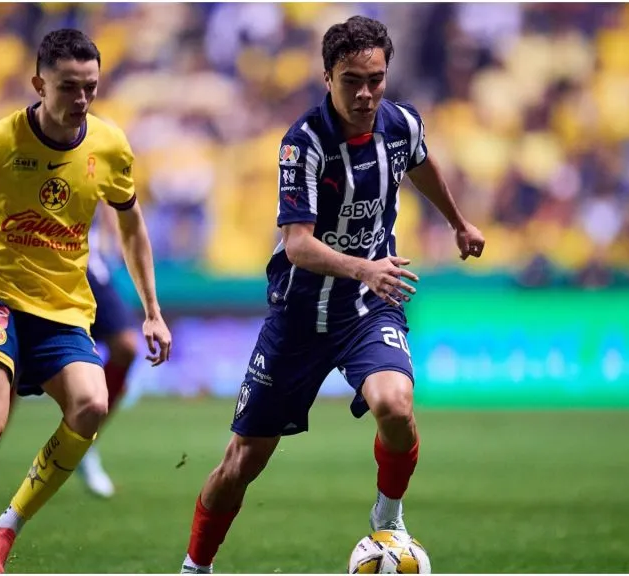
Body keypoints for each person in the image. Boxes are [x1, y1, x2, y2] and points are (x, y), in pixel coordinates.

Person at [178, 16, 485, 574]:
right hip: (299, 318)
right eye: (352, 80)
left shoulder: (402, 124)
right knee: (241, 463)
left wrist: (458, 223)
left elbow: (422, 164)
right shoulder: (303, 145)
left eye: (376, 78)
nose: (366, 93)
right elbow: (296, 246)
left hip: (367, 310)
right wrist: (364, 267)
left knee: (394, 404)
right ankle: (195, 566)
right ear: (327, 78)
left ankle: (388, 519)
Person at [0, 28, 172, 574]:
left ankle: (2, 530)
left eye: (91, 87)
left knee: (92, 404)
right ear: (40, 83)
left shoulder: (110, 146)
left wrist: (153, 312)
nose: (82, 101)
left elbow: (133, 228)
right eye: (69, 88)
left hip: (65, 307)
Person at [0, 205, 141, 504]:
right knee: (15, 362)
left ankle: (84, 443)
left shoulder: (99, 159)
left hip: (84, 258)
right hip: (31, 257)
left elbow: (110, 187)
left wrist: (114, 234)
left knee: (126, 346)